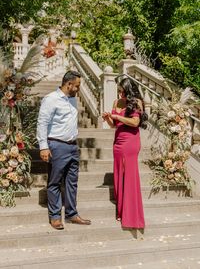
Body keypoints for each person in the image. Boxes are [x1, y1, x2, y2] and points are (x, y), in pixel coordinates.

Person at [37, 70, 91, 230]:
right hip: (57, 145)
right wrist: (44, 146)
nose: (79, 88)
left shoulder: (72, 99)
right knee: (54, 182)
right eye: (77, 85)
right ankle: (55, 217)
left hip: (73, 146)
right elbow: (42, 123)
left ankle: (71, 214)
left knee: (72, 182)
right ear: (68, 84)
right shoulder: (51, 99)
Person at [102, 77, 148, 229]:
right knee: (118, 176)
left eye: (122, 91)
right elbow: (114, 125)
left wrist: (117, 116)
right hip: (118, 142)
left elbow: (135, 123)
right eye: (119, 91)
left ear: (128, 90)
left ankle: (131, 214)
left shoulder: (136, 102)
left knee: (129, 176)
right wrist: (109, 118)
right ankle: (121, 210)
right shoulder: (116, 102)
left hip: (131, 142)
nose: (120, 93)